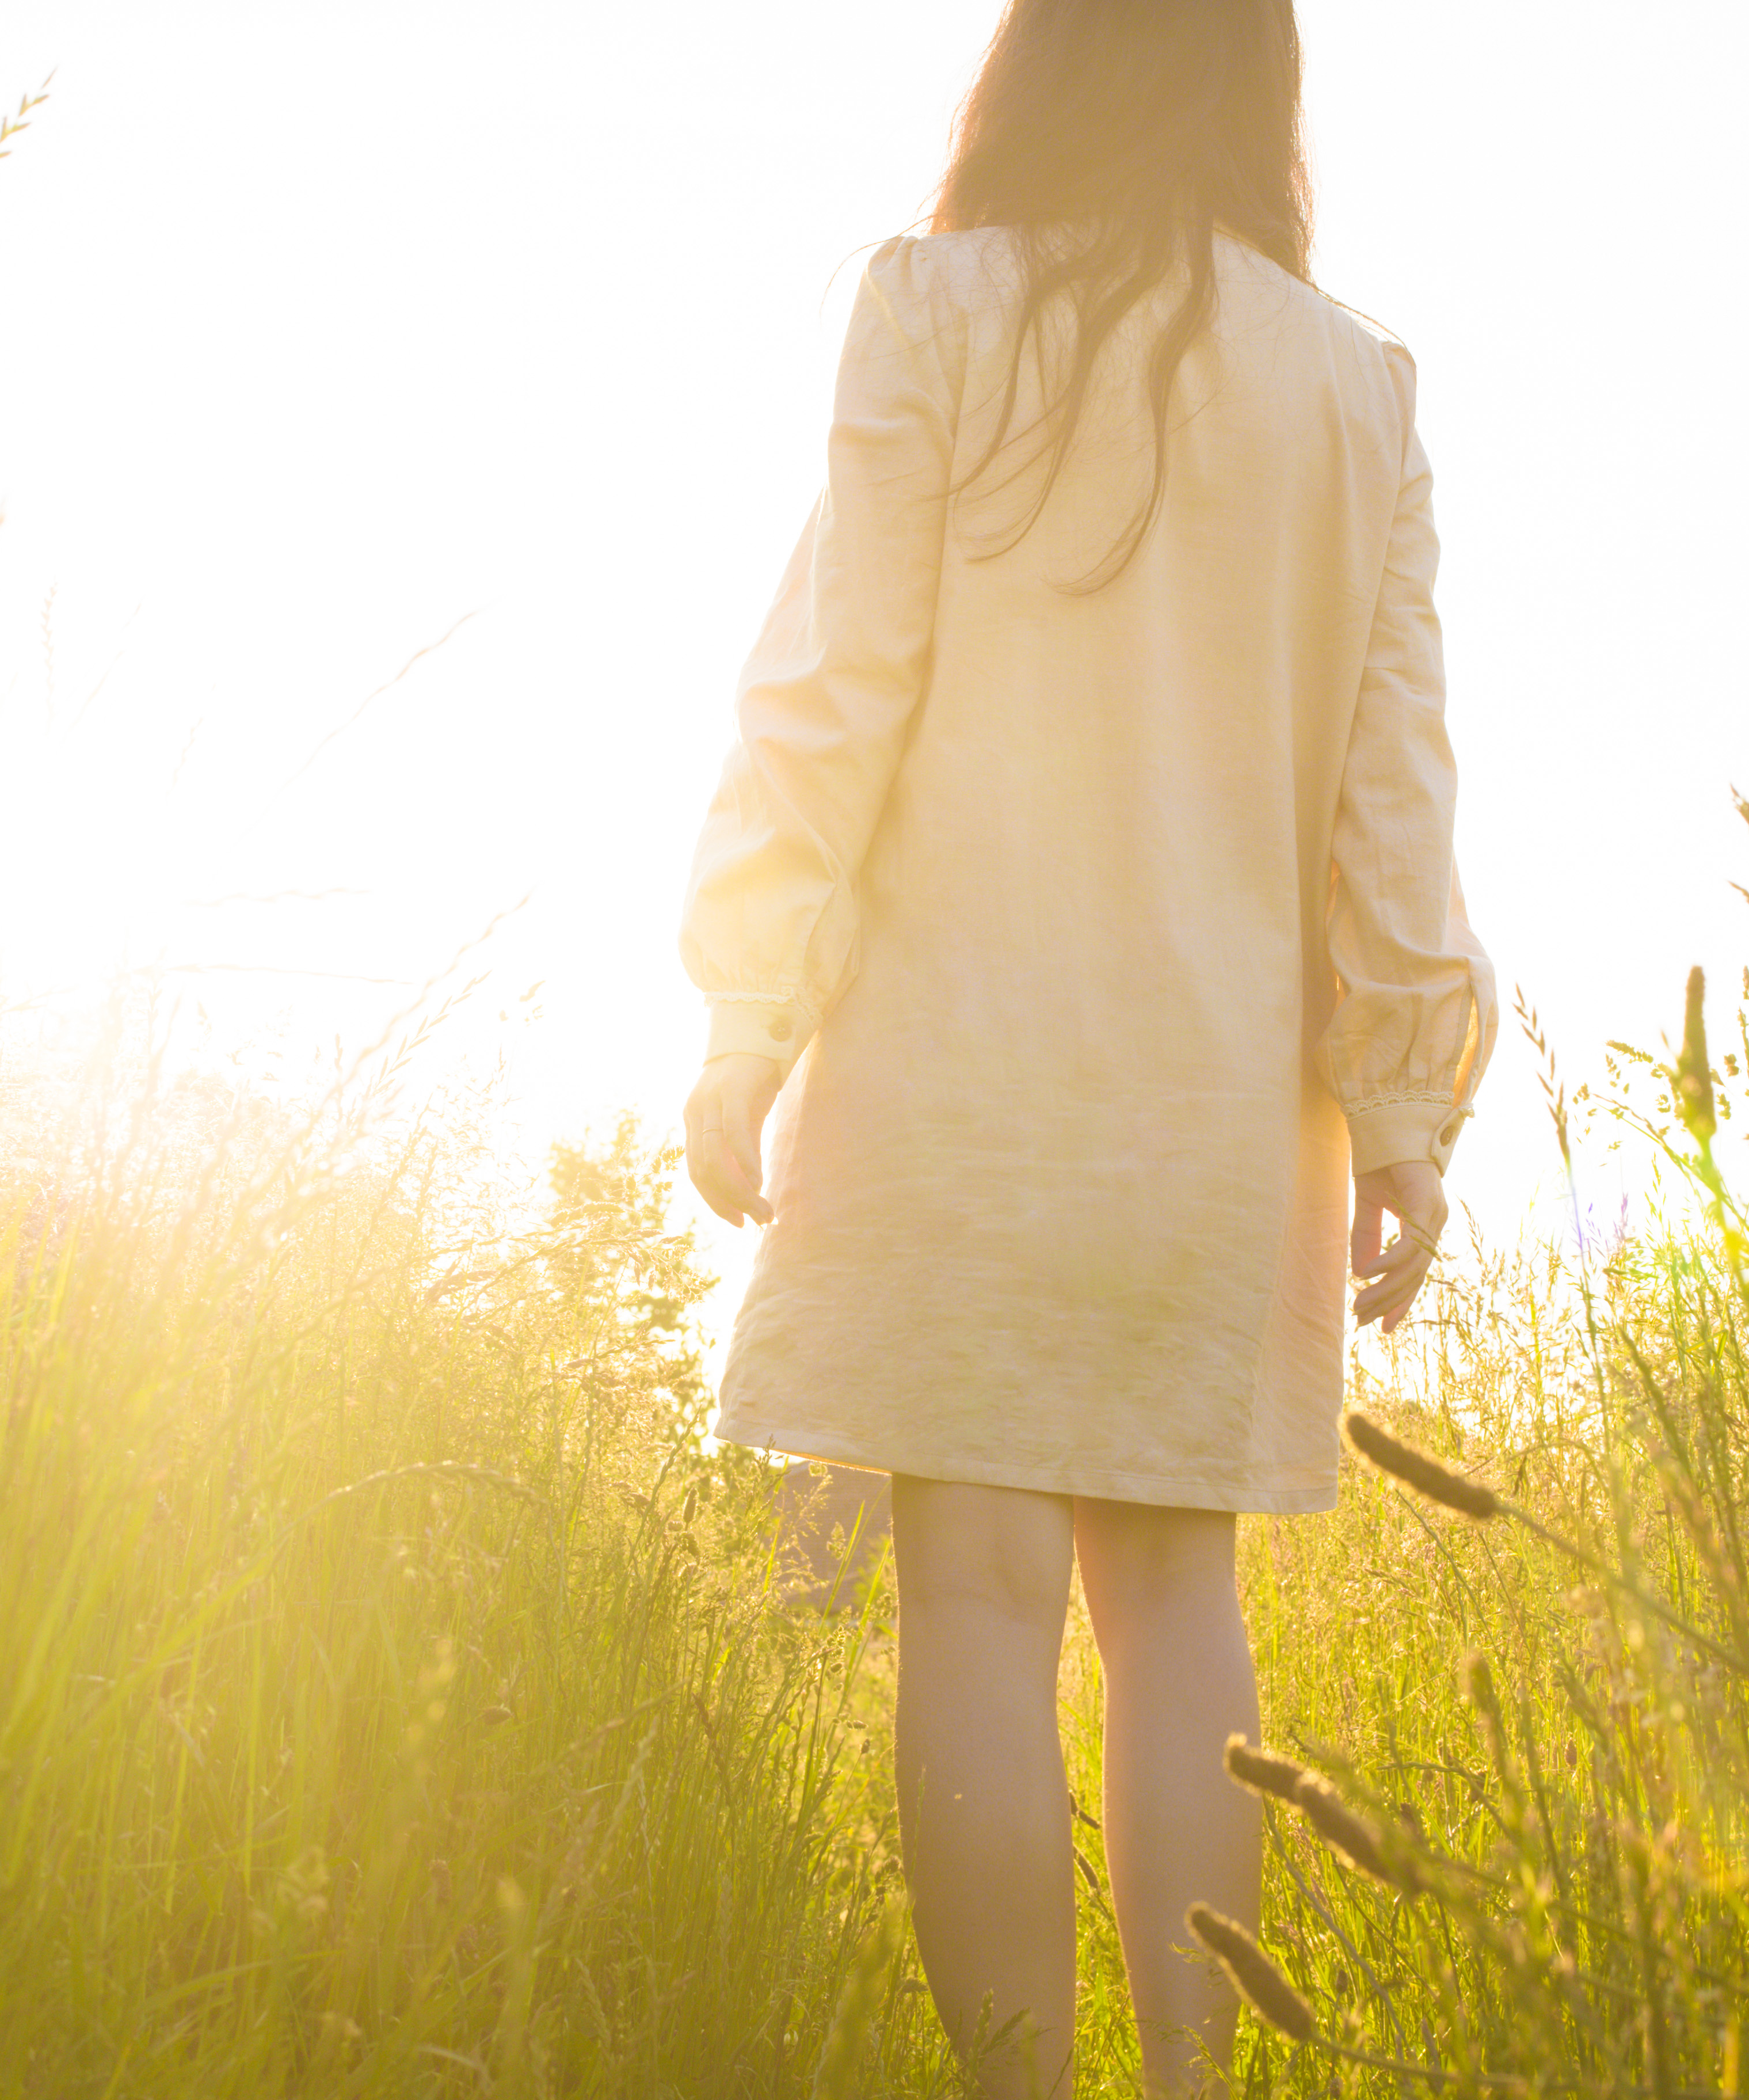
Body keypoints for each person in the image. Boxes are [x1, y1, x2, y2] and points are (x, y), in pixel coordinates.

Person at [676, 1, 1492, 2090]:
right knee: (1178, 1613)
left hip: (960, 1078)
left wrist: (748, 1007)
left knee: (970, 1599)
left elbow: (833, 687)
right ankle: (1198, 2090)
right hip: (1221, 1121)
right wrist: (1405, 1099)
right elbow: (1391, 791)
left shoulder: (937, 312)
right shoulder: (1357, 393)